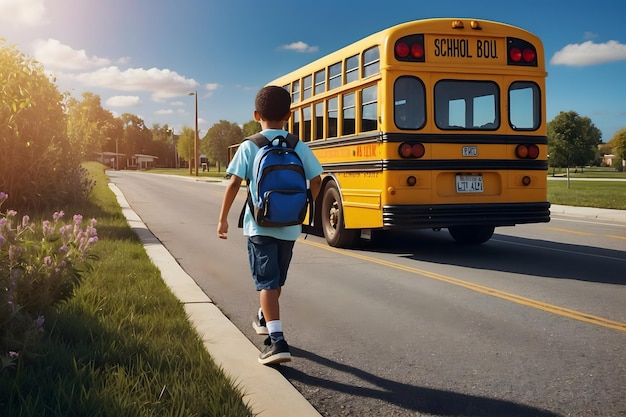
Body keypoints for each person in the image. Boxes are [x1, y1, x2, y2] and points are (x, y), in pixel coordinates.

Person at [217, 85, 323, 365]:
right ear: (288, 115)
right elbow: (317, 180)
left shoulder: (250, 145)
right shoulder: (297, 145)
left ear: (256, 115)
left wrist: (223, 218)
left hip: (260, 226)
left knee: (266, 282)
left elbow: (234, 183)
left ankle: (277, 341)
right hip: (290, 226)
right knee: (275, 281)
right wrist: (302, 206)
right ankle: (265, 317)